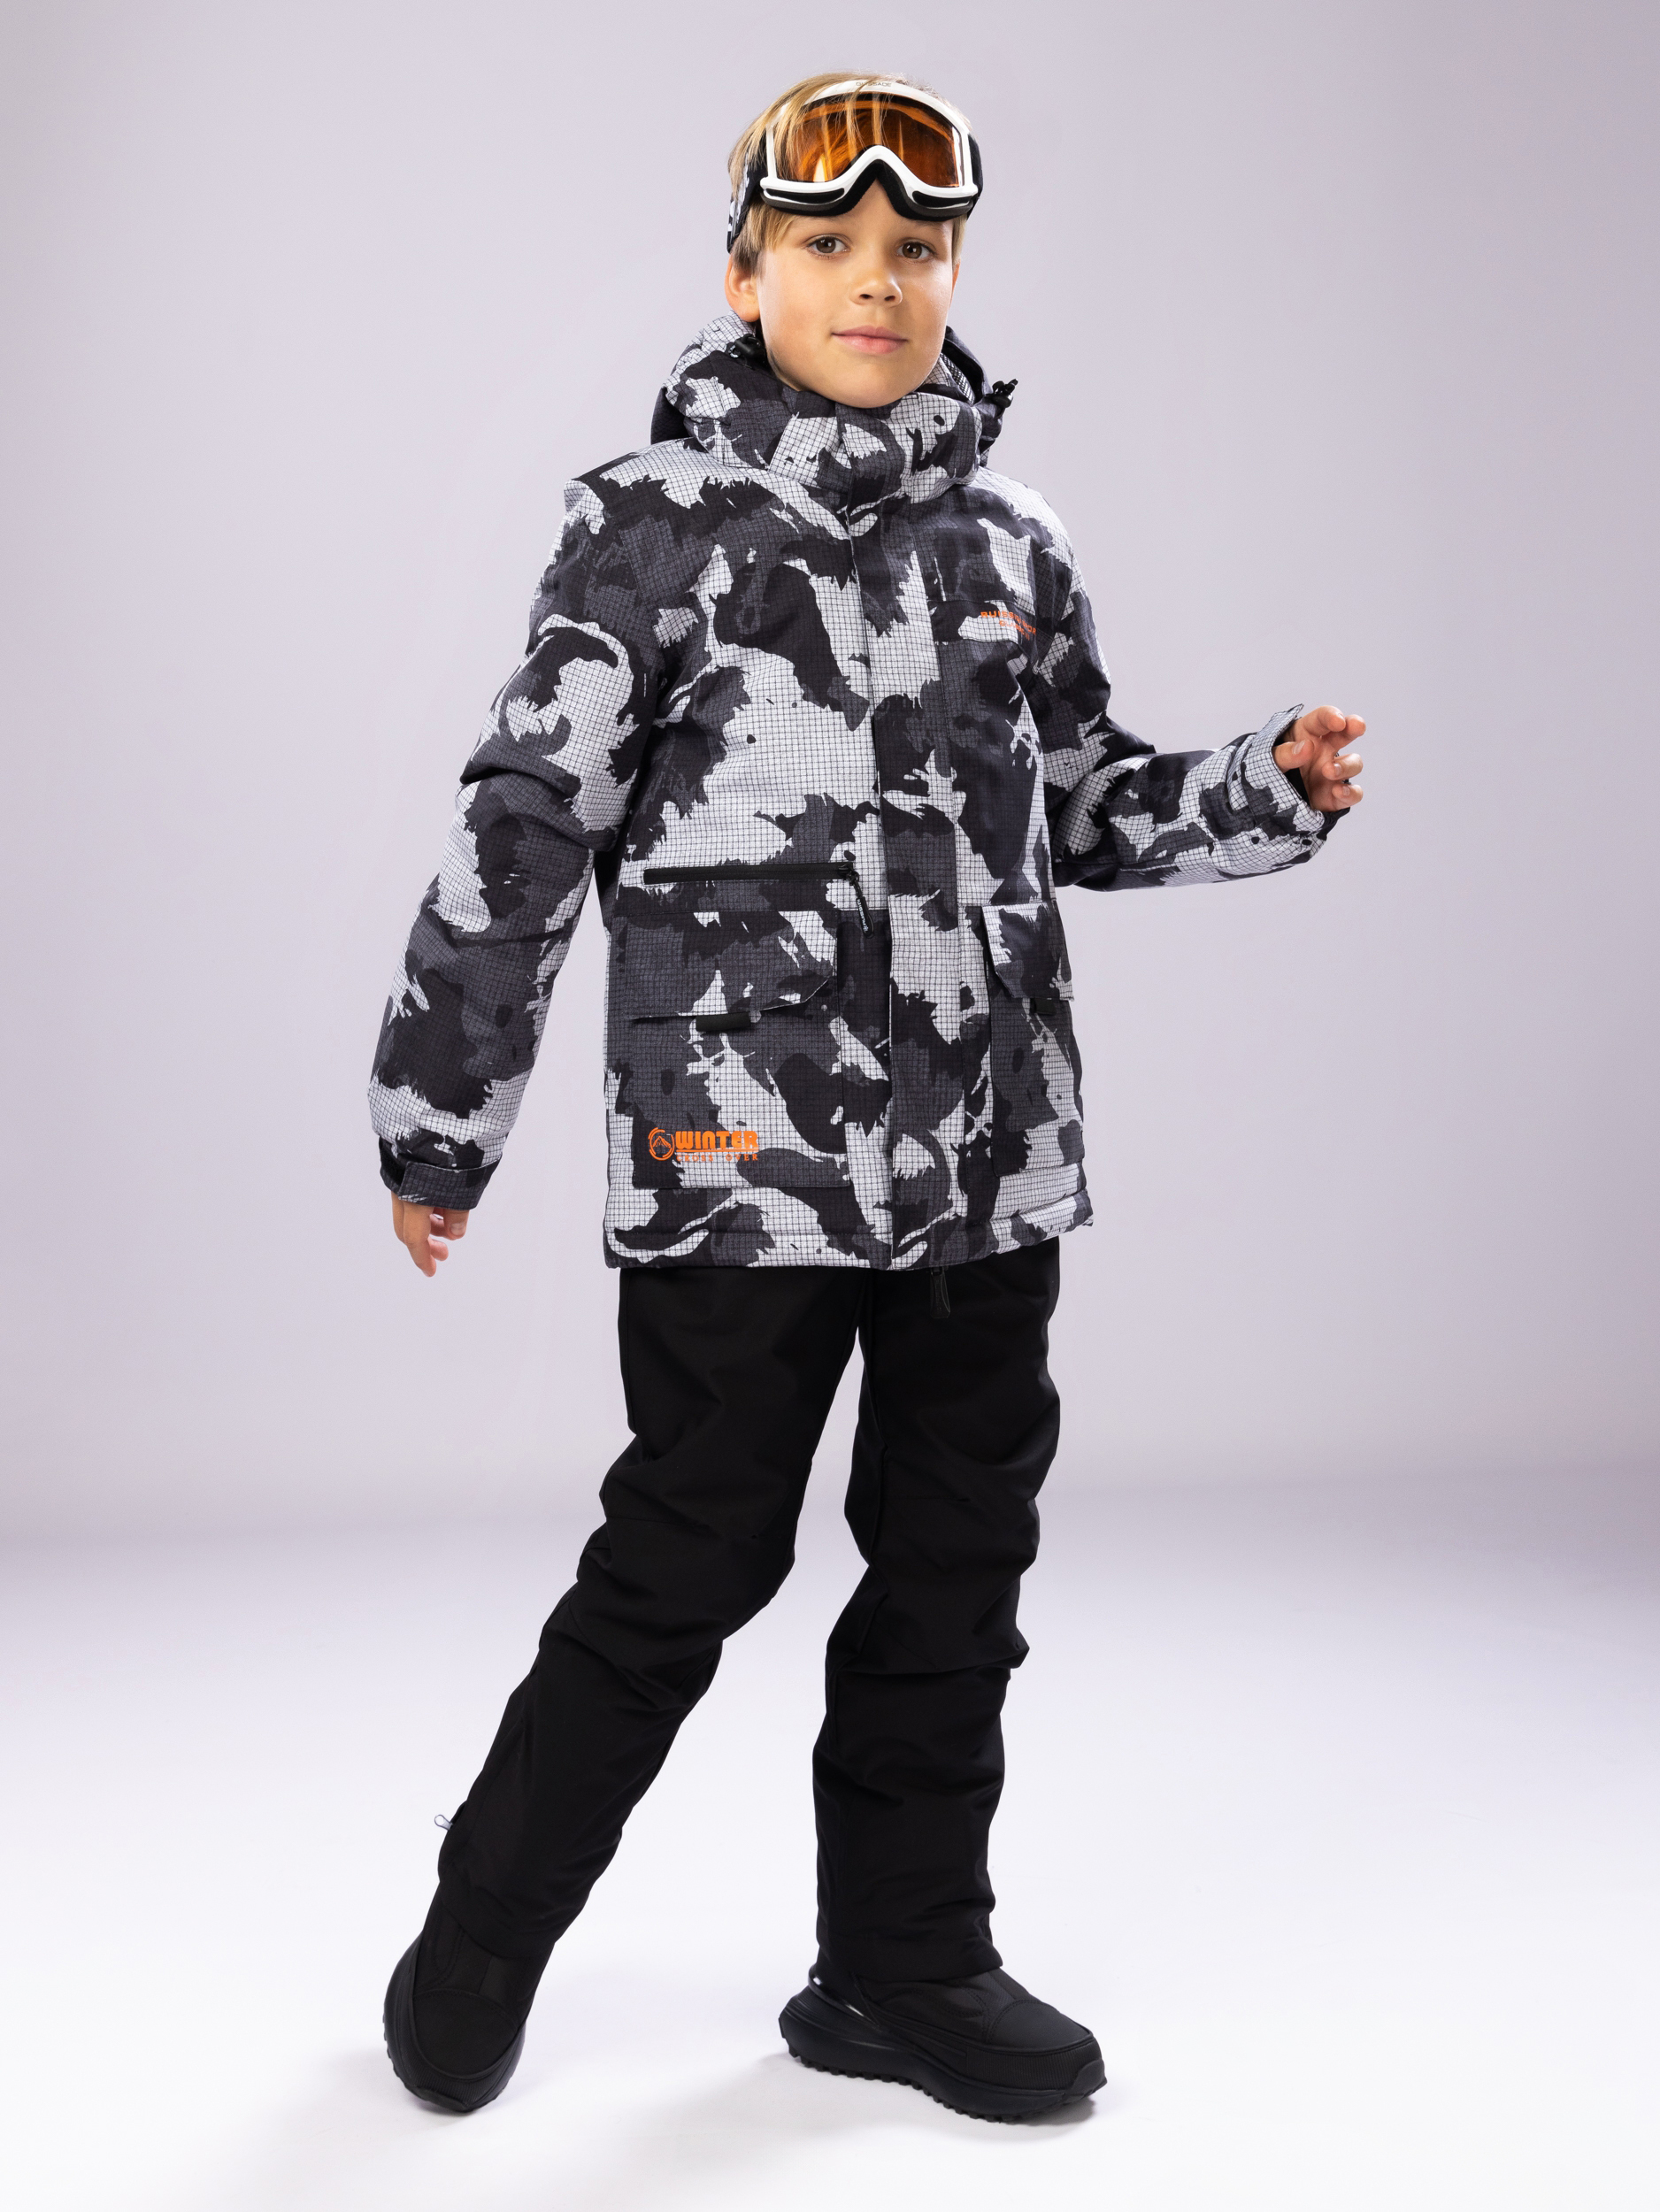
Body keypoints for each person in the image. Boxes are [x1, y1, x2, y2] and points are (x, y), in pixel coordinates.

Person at [369, 72, 1364, 2124]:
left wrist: (1257, 784)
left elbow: (1076, 803)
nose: (876, 281)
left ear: (952, 273)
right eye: (828, 245)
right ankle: (479, 1930)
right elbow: (527, 825)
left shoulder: (1013, 539)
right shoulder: (643, 528)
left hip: (988, 1167)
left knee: (953, 1564)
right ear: (747, 272)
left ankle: (899, 1964)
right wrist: (437, 1114)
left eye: (915, 248)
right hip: (742, 1169)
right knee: (689, 1556)